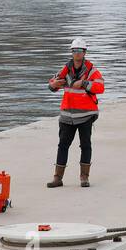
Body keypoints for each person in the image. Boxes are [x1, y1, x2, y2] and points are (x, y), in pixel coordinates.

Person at [47, 37, 105, 188]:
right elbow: (52, 84)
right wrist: (54, 85)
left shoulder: (92, 70)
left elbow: (100, 87)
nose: (77, 54)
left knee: (85, 145)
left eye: (79, 51)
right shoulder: (65, 70)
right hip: (67, 115)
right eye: (74, 51)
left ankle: (84, 177)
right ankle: (57, 178)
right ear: (71, 53)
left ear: (84, 52)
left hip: (85, 115)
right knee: (62, 145)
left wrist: (85, 83)